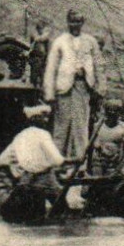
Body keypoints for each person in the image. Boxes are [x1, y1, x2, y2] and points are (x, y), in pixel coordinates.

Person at [44, 9, 104, 160]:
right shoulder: (60, 41)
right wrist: (49, 94)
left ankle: (79, 165)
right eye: (72, 21)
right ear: (67, 22)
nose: (75, 25)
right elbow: (51, 68)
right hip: (63, 89)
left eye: (78, 22)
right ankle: (56, 163)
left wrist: (100, 89)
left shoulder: (91, 41)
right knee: (61, 128)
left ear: (82, 23)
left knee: (81, 128)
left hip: (83, 87)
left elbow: (99, 66)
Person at [0, 105, 73, 200]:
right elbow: (57, 160)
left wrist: (16, 170)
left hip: (25, 178)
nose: (46, 120)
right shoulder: (43, 134)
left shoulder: (21, 135)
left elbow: (3, 159)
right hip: (44, 177)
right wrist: (72, 160)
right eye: (44, 117)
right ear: (36, 118)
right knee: (59, 201)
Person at [88, 97, 124, 178]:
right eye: (109, 110)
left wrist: (118, 169)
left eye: (115, 110)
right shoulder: (97, 125)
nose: (112, 113)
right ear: (105, 112)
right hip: (99, 161)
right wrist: (88, 168)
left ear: (119, 112)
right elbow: (91, 148)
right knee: (97, 180)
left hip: (115, 162)